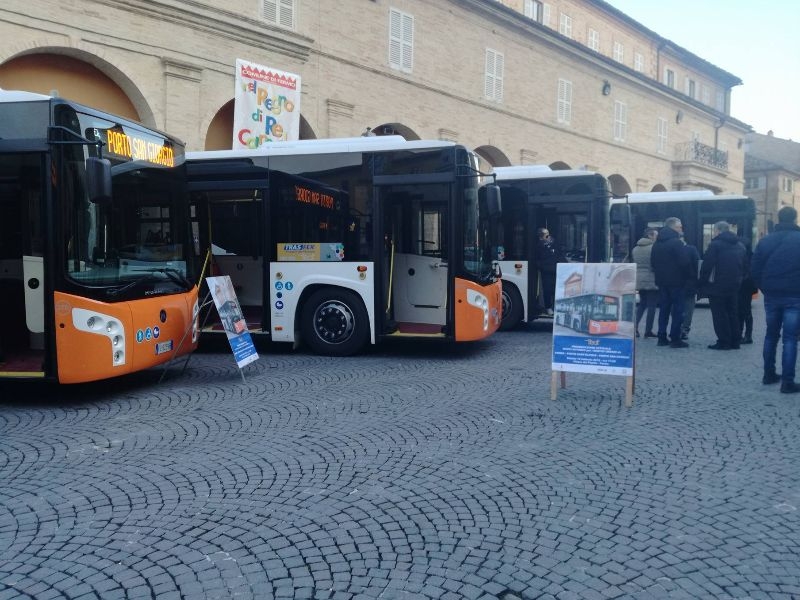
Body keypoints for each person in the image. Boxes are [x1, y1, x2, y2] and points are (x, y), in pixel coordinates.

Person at [751, 205, 800, 393]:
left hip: (772, 295)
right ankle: (787, 382)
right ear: (795, 219)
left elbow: (754, 269)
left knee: (771, 335)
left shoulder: (765, 241)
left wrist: (766, 287)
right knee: (790, 338)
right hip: (795, 295)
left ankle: (768, 374)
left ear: (779, 219)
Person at [698, 221, 746, 350]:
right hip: (734, 284)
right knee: (733, 313)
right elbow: (745, 265)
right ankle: (735, 341)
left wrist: (702, 282)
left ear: (718, 231)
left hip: (717, 285)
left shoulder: (715, 245)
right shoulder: (740, 245)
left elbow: (707, 266)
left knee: (719, 314)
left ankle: (724, 341)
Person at [650, 217, 691, 348]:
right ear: (673, 227)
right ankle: (675, 338)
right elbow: (685, 262)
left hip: (662, 281)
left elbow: (653, 263)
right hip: (677, 282)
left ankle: (661, 337)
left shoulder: (657, 243)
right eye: (679, 227)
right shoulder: (677, 243)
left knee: (664, 309)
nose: (681, 229)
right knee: (678, 311)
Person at [631, 227, 659, 338]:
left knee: (642, 304)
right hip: (651, 279)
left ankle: (635, 328)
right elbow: (655, 265)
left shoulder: (635, 249)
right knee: (652, 305)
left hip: (639, 279)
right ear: (650, 236)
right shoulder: (654, 248)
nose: (657, 237)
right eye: (656, 235)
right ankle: (648, 330)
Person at [536, 227, 561, 316]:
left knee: (555, 288)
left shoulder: (554, 243)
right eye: (545, 235)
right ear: (541, 236)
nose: (547, 236)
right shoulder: (539, 245)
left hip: (555, 269)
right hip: (546, 270)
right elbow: (537, 258)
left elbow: (559, 254)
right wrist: (541, 266)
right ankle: (548, 307)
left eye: (547, 234)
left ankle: (555, 306)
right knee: (547, 289)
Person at [680, 237, 700, 341]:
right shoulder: (692, 249)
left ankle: (677, 328)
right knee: (688, 308)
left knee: (676, 308)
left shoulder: (671, 249)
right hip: (690, 283)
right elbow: (697, 264)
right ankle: (684, 329)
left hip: (675, 284)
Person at [737, 235, 756, 344]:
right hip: (747, 286)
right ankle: (743, 334)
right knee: (744, 311)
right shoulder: (751, 255)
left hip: (744, 286)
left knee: (744, 311)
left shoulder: (744, 256)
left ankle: (746, 335)